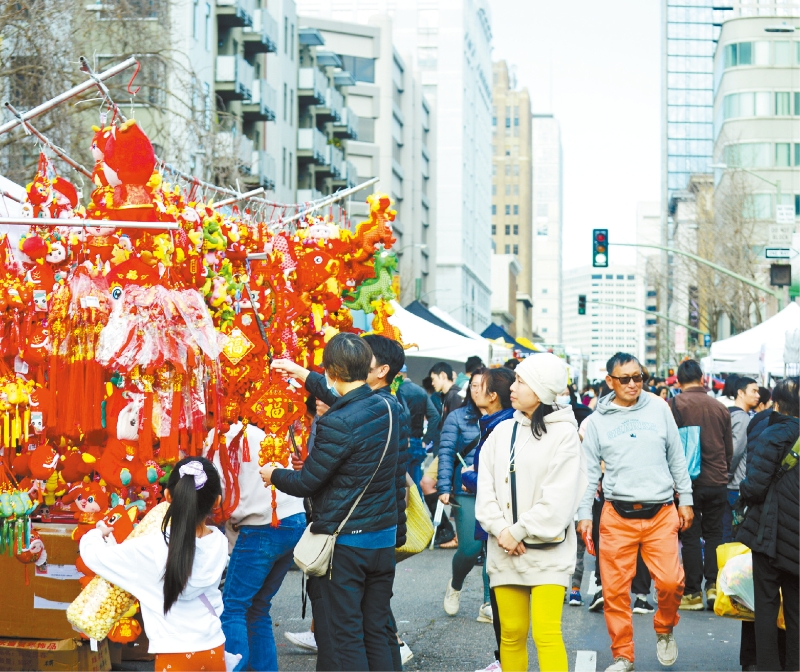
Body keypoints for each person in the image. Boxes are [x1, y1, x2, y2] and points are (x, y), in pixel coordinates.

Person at [263, 333, 400, 671]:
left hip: (348, 545)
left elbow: (307, 481)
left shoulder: (335, 422)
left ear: (332, 372)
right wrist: (301, 373)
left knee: (346, 635)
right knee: (376, 630)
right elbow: (348, 399)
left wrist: (274, 474)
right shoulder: (389, 406)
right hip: (382, 539)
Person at [577, 352, 694, 672]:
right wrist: (584, 514)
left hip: (661, 513)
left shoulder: (659, 407)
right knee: (614, 592)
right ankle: (623, 655)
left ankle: (665, 628)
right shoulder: (596, 421)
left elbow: (677, 457)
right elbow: (588, 475)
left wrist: (687, 499)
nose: (633, 384)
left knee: (671, 583)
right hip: (616, 515)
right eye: (625, 379)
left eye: (638, 377)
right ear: (610, 381)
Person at [476, 353, 587, 672]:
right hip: (504, 548)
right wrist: (501, 531)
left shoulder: (565, 434)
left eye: (522, 381)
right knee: (510, 635)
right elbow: (486, 491)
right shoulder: (500, 433)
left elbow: (560, 500)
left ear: (541, 389)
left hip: (548, 551)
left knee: (546, 632)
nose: (513, 386)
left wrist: (516, 531)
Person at [80, 457, 228, 671]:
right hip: (213, 649)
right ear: (217, 501)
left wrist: (96, 534)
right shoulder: (220, 542)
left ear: (167, 496)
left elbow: (94, 557)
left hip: (172, 655)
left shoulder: (152, 547)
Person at [210, 422, 307, 672]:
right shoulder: (257, 432)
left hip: (263, 524)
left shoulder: (216, 437)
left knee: (233, 606)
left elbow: (215, 496)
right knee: (257, 607)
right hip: (293, 519)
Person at [736, 377, 799, 672]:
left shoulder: (772, 434)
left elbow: (755, 485)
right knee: (797, 610)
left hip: (769, 535)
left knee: (766, 606)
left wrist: (744, 494)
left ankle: (768, 667)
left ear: (776, 404)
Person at [461, 367, 517, 672]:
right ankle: (504, 659)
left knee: (503, 596)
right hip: (499, 522)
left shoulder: (502, 426)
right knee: (500, 595)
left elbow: (495, 478)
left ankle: (506, 661)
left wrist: (468, 477)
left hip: (502, 524)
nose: (473, 389)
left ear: (494, 395)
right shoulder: (493, 423)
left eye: (478, 385)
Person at [671, 359, 734, 612]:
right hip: (718, 480)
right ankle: (713, 587)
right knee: (715, 534)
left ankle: (693, 592)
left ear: (678, 381)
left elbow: (669, 445)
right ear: (702, 379)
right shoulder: (720, 407)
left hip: (688, 481)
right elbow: (728, 449)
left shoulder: (675, 404)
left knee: (691, 536)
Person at [437, 368, 485, 619]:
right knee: (470, 547)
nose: (477, 391)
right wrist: (444, 487)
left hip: (497, 490)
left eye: (482, 385)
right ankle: (455, 584)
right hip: (465, 489)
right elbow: (445, 452)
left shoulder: (507, 416)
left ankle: (489, 603)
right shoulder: (457, 417)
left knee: (495, 547)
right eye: (473, 386)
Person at [725, 377, 760, 544]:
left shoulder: (728, 412)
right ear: (740, 392)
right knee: (732, 535)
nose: (757, 395)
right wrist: (727, 474)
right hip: (733, 486)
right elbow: (735, 451)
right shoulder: (742, 418)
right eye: (753, 391)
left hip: (727, 483)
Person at [396, 365, 441, 490]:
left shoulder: (397, 391)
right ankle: (419, 508)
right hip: (418, 443)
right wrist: (426, 440)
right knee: (415, 484)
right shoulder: (420, 391)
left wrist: (406, 437)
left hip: (403, 442)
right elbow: (435, 416)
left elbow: (404, 415)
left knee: (403, 487)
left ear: (398, 373)